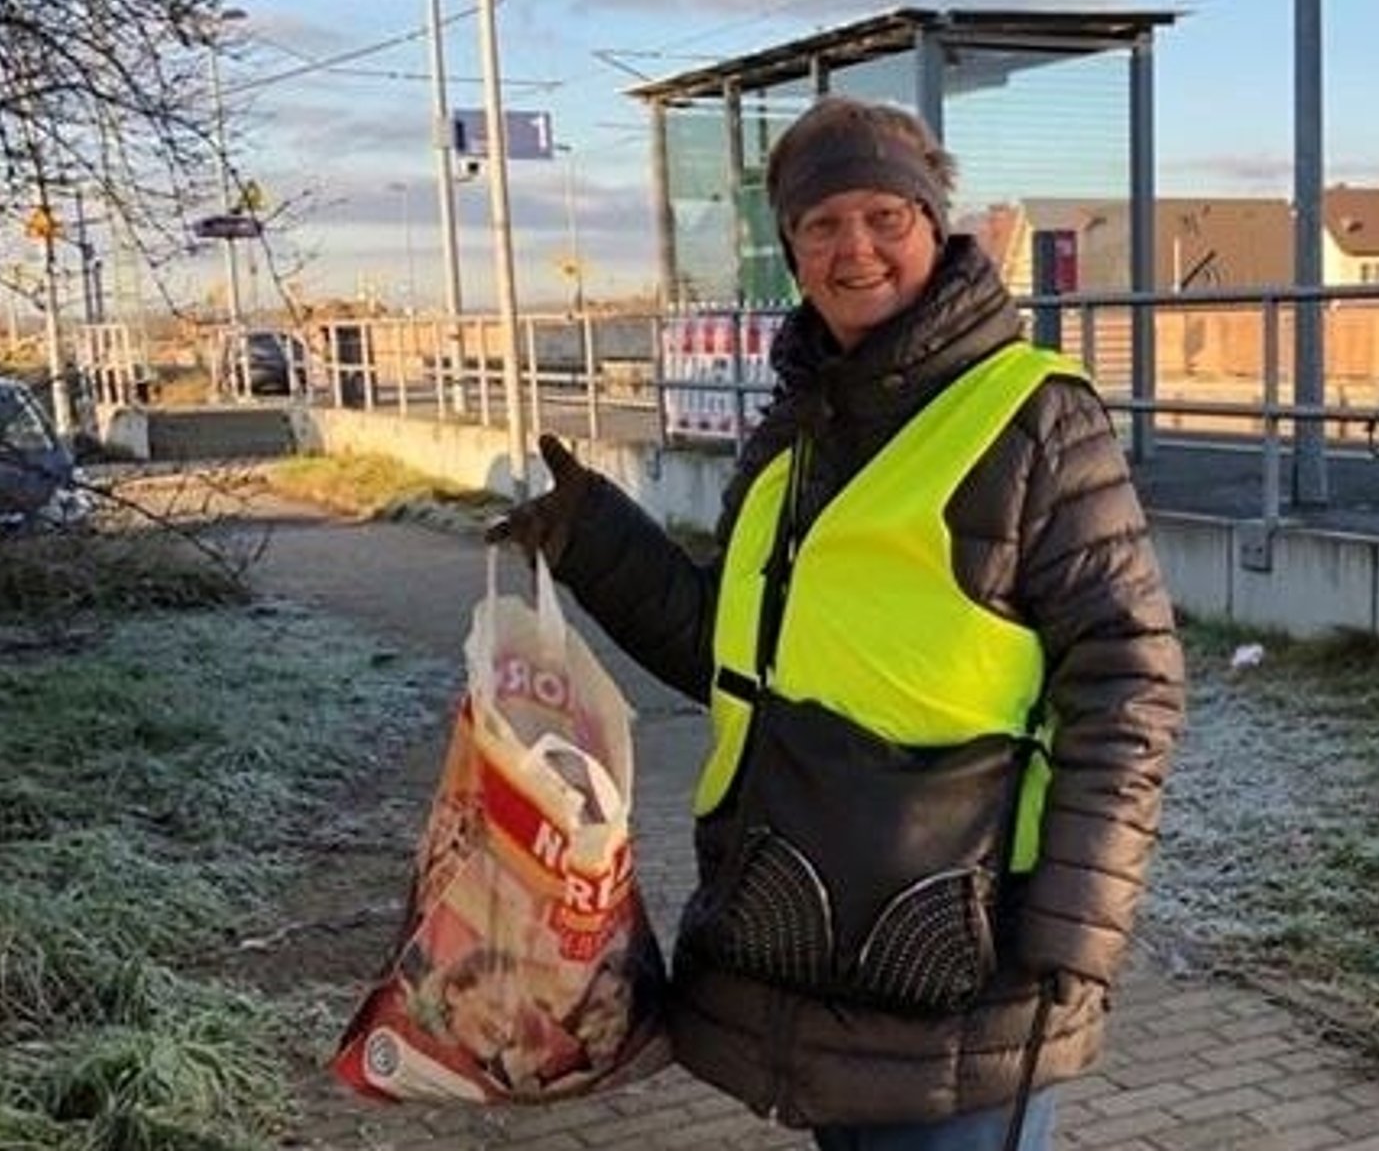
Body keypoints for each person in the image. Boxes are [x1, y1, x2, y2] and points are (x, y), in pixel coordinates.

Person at [488, 95, 1185, 1150]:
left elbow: (1127, 678)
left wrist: (1074, 921)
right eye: (820, 224)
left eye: (883, 217)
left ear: (933, 225)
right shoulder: (795, 431)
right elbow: (734, 656)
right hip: (800, 929)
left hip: (966, 947)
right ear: (790, 248)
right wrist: (594, 537)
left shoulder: (1034, 416)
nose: (853, 248)